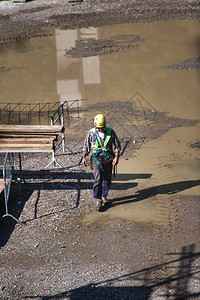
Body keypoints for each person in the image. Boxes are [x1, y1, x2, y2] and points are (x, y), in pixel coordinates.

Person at [82, 114, 121, 211]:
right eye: (98, 128)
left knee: (107, 179)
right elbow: (86, 146)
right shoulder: (91, 133)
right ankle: (97, 198)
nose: (100, 129)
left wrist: (116, 158)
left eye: (102, 128)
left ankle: (104, 195)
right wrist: (84, 157)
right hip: (96, 159)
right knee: (98, 178)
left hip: (108, 159)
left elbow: (117, 146)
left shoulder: (110, 132)